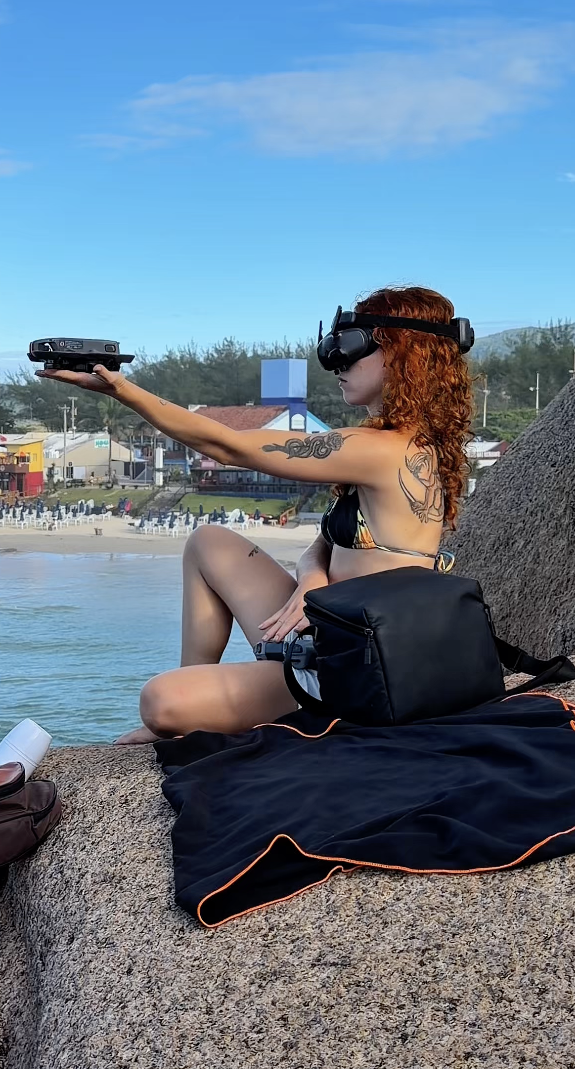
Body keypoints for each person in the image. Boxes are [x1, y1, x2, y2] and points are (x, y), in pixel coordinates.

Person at [37, 286, 473, 744]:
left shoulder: (386, 449)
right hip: (332, 628)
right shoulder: (395, 442)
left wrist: (121, 389)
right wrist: (311, 579)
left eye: (354, 347)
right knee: (209, 542)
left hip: (357, 671)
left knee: (160, 702)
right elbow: (327, 545)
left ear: (404, 355)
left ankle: (199, 710)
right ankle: (200, 684)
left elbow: (228, 445)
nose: (338, 363)